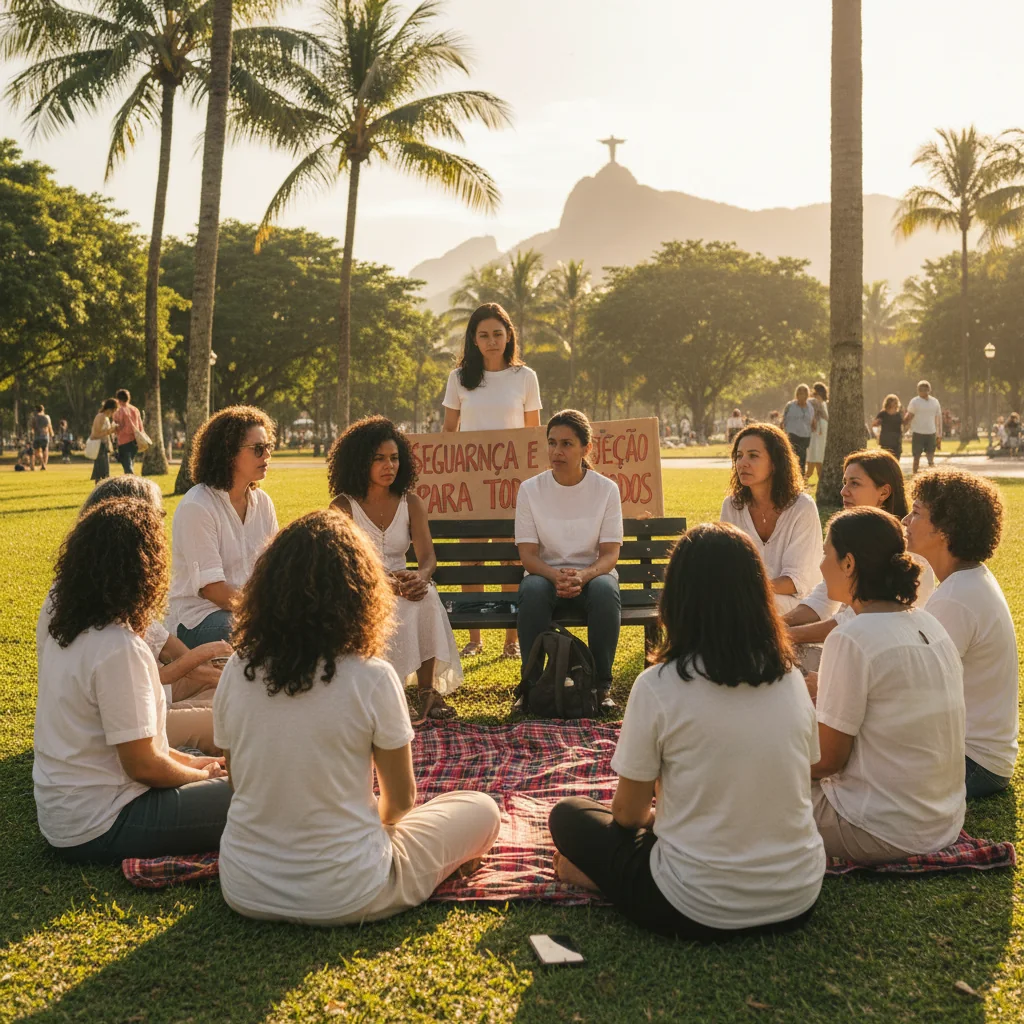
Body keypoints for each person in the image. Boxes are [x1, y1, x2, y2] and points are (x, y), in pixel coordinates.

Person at [214, 510, 500, 925]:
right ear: (359, 591)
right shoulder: (371, 676)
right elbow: (400, 802)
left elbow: (237, 783)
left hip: (244, 885)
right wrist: (366, 830)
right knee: (481, 808)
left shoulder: (237, 668)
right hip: (348, 891)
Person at [548, 522, 824, 939]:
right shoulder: (790, 678)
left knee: (568, 816)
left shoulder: (660, 685)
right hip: (798, 895)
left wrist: (666, 816)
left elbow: (627, 814)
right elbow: (800, 776)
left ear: (677, 597)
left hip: (694, 904)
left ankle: (598, 878)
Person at [33, 497, 231, 864]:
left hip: (72, 812)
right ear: (144, 568)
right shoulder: (117, 647)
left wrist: (195, 767)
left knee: (207, 762)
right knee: (256, 794)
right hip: (104, 822)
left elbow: (146, 749)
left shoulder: (73, 628)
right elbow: (144, 766)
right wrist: (200, 779)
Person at [811, 507, 965, 862]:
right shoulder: (928, 623)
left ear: (848, 564)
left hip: (880, 829)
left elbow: (827, 761)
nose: (821, 566)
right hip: (942, 822)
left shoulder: (851, 637)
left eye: (825, 553)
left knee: (750, 789)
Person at [328, 416, 463, 722]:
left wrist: (421, 575)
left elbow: (428, 556)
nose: (389, 466)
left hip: (406, 582)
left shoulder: (410, 502)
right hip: (360, 586)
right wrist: (380, 582)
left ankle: (427, 690)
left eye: (394, 458)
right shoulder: (343, 506)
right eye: (379, 459)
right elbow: (341, 563)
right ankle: (394, 692)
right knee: (389, 605)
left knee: (426, 596)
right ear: (360, 462)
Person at [81, 477, 230, 754]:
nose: (162, 529)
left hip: (149, 707)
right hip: (133, 727)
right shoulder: (110, 627)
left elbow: (169, 648)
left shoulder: (110, 590)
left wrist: (210, 670)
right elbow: (146, 686)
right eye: (158, 516)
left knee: (225, 694)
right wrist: (204, 655)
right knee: (232, 716)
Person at [904, 470, 1019, 799]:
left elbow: (911, 686)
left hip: (974, 762)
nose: (906, 520)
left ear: (944, 529)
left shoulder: (957, 597)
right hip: (973, 755)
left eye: (916, 513)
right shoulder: (965, 581)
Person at [442, 302, 542, 659]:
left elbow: (533, 436)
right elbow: (449, 434)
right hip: (470, 486)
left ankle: (511, 642)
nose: (491, 341)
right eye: (483, 335)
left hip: (513, 488)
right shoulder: (458, 379)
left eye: (497, 334)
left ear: (509, 335)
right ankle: (474, 638)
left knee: (508, 559)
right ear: (473, 339)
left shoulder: (525, 377)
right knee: (471, 558)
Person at [515, 410, 623, 711]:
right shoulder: (530, 490)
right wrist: (555, 576)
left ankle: (601, 687)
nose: (556, 452)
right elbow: (528, 556)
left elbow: (611, 553)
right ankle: (531, 685)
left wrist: (583, 576)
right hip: (544, 576)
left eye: (566, 444)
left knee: (605, 590)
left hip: (591, 577)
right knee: (533, 589)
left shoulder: (606, 489)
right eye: (552, 443)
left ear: (586, 449)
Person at [784, 450, 934, 653]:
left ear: (883, 492)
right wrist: (777, 624)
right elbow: (821, 600)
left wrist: (782, 636)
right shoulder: (850, 537)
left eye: (854, 483)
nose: (843, 491)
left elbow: (855, 623)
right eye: (844, 482)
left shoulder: (905, 551)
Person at [169, 406, 278, 648]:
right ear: (228, 453)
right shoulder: (198, 506)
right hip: (198, 619)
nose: (267, 456)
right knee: (265, 634)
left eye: (268, 447)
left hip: (247, 611)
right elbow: (213, 590)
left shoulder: (263, 504)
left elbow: (274, 571)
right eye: (258, 449)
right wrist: (264, 611)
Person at [720, 424, 823, 614]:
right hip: (742, 600)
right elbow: (726, 566)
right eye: (739, 456)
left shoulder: (802, 507)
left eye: (753, 455)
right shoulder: (732, 506)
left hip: (797, 604)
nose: (742, 463)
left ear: (775, 463)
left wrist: (748, 591)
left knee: (753, 607)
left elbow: (796, 581)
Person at [905, 380, 942, 474]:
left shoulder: (935, 402)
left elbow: (938, 419)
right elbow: (909, 416)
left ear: (929, 390)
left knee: (930, 458)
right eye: (921, 389)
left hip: (931, 433)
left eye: (925, 389)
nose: (923, 391)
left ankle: (932, 477)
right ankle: (914, 475)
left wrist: (939, 435)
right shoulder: (915, 401)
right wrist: (904, 426)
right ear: (918, 390)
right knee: (916, 457)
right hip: (918, 433)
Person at [782, 384, 814, 474]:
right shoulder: (790, 405)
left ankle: (801, 475)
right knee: (792, 455)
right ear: (797, 394)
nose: (801, 395)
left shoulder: (810, 407)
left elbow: (812, 420)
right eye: (800, 393)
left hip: (805, 435)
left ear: (807, 394)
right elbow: (784, 418)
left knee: (802, 456)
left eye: (804, 393)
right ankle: (791, 474)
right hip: (792, 433)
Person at [112, 388, 143, 474]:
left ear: (118, 399)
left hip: (123, 441)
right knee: (131, 462)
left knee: (127, 466)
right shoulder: (135, 409)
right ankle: (130, 481)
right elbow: (140, 426)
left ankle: (131, 482)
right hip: (135, 441)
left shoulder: (118, 411)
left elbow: (116, 426)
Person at [89, 399, 119, 485]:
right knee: (101, 472)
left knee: (103, 471)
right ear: (111, 409)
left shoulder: (105, 417)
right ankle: (100, 491)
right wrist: (110, 431)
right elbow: (96, 434)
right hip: (99, 446)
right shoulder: (101, 416)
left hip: (103, 446)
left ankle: (100, 490)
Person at [805, 382, 829, 483]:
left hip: (821, 431)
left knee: (818, 458)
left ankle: (816, 481)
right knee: (815, 457)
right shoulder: (814, 401)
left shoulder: (821, 402)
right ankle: (806, 479)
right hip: (817, 431)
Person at [873, 394, 904, 459]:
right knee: (886, 460)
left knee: (896, 459)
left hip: (896, 440)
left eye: (896, 402)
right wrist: (877, 422)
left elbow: (903, 424)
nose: (895, 403)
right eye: (893, 401)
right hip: (886, 440)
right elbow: (874, 424)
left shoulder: (899, 414)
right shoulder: (883, 413)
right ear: (888, 403)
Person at [30, 404, 53, 471]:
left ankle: (42, 463)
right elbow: (49, 426)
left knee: (37, 451)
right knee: (45, 450)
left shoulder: (34, 417)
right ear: (43, 409)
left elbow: (32, 428)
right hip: (45, 436)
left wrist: (32, 434)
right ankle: (44, 465)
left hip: (37, 436)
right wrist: (52, 435)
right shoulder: (47, 417)